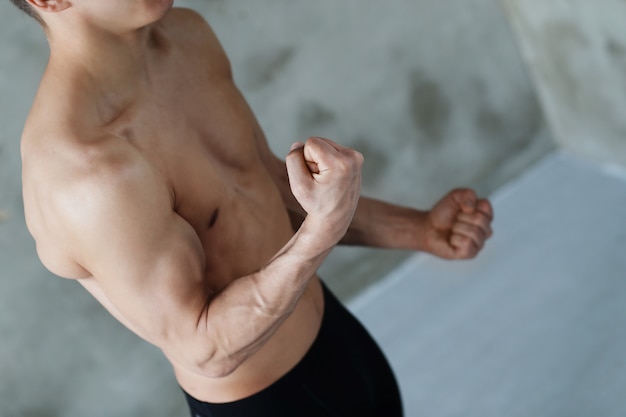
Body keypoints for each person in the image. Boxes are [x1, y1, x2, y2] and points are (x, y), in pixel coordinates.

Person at [15, 1, 494, 416]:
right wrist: (323, 228)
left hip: (339, 342)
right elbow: (205, 348)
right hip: (267, 403)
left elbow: (263, 183)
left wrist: (418, 230)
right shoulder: (83, 170)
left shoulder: (186, 36)